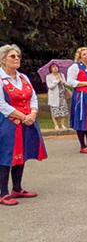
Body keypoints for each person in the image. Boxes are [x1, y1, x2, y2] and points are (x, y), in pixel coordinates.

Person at [0, 45, 47, 205]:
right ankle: (3, 192)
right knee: (6, 155)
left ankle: (17, 188)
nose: (17, 59)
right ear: (2, 60)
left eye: (18, 56)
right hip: (7, 123)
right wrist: (22, 116)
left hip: (26, 121)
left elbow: (33, 97)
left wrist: (33, 113)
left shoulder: (23, 77)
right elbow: (1, 104)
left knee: (22, 153)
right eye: (12, 56)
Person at [45, 62, 69, 130]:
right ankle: (56, 125)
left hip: (62, 95)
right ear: (51, 69)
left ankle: (63, 125)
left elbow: (65, 83)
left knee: (63, 110)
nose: (55, 68)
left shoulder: (61, 75)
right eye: (53, 67)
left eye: (56, 67)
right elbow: (50, 86)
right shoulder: (48, 76)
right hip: (54, 96)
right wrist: (57, 81)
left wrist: (63, 82)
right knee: (54, 111)